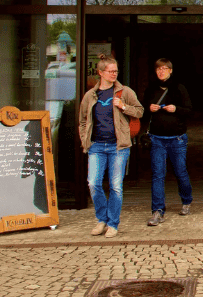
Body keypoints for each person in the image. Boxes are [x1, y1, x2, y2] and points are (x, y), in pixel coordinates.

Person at [78, 54, 143, 238]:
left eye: (116, 71)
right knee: (93, 183)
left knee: (115, 186)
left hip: (118, 146)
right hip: (97, 145)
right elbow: (83, 120)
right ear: (100, 72)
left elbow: (140, 111)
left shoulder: (125, 92)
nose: (114, 74)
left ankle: (113, 223)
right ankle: (102, 219)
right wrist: (85, 140)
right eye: (111, 71)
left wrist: (123, 106)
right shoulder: (90, 95)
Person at [142, 58, 194, 226]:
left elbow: (189, 110)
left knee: (180, 171)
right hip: (157, 138)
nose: (161, 72)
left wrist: (176, 109)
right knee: (158, 174)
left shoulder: (179, 88)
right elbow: (142, 110)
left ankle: (186, 200)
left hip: (177, 138)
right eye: (158, 69)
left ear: (171, 70)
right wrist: (148, 108)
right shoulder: (151, 88)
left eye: (164, 69)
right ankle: (157, 211)